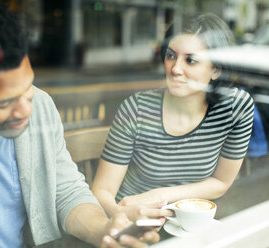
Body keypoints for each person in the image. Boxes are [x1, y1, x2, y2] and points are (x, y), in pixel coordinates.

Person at [0, 3, 159, 248]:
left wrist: (103, 230)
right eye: (4, 102)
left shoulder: (41, 104)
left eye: (27, 90)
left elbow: (65, 190)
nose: (26, 110)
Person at [91, 13, 255, 221]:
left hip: (189, 221)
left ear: (216, 70)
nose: (176, 69)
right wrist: (120, 218)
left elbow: (221, 182)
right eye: (170, 56)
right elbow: (102, 191)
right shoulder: (137, 109)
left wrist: (160, 195)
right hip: (135, 220)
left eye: (191, 60)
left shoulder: (234, 107)